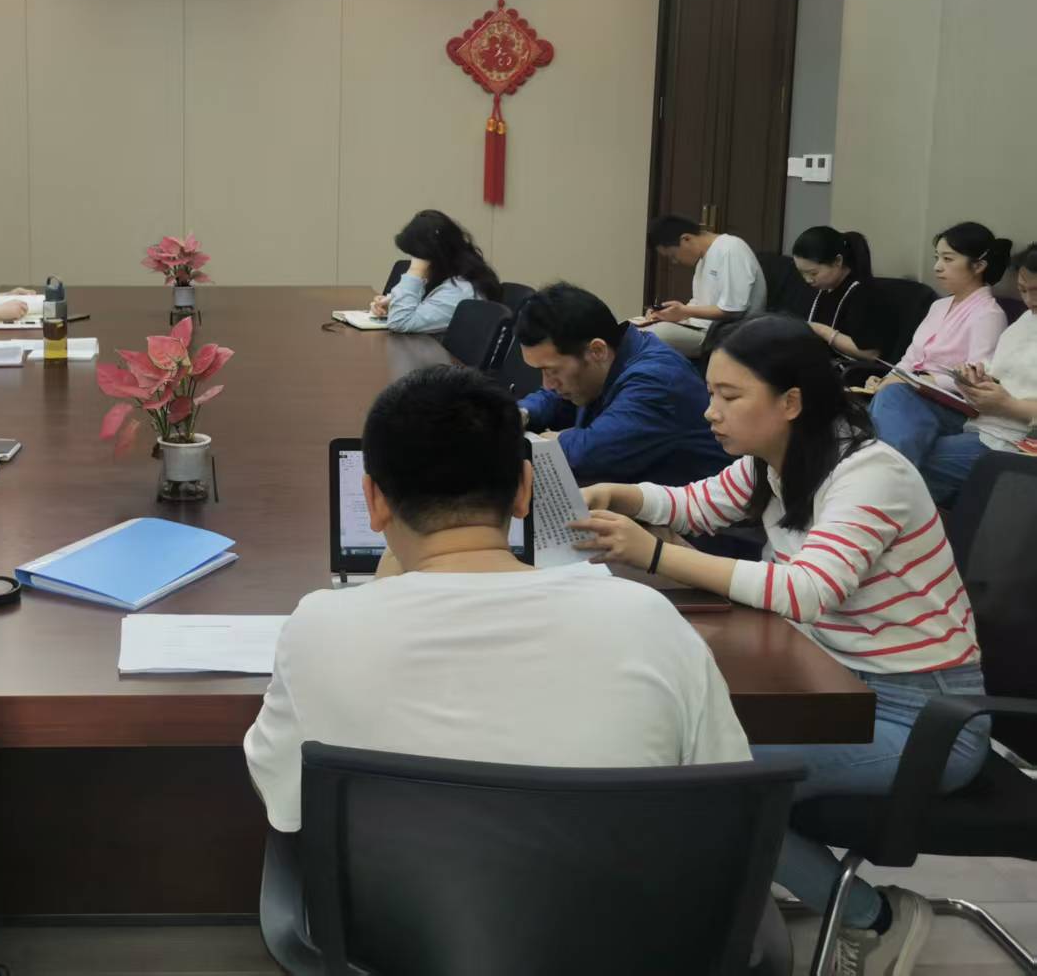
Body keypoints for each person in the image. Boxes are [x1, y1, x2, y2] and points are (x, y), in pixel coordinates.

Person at [572, 315, 986, 972]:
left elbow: (808, 590)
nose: (710, 412)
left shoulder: (869, 475)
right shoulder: (777, 461)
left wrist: (654, 554)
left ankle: (874, 919)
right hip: (833, 684)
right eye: (711, 393)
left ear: (790, 401)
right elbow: (693, 505)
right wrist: (620, 495)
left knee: (710, 774)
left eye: (729, 396)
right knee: (689, 751)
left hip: (927, 718)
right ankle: (730, 892)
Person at [243, 364, 750, 837]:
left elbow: (284, 801)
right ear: (525, 490)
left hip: (393, 908)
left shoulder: (321, 629)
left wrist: (377, 595)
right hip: (624, 903)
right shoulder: (649, 620)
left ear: (374, 502)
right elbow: (725, 802)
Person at [516, 282, 729, 487]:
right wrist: (520, 414)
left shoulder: (656, 380)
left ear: (597, 351)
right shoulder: (608, 361)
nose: (548, 384)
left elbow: (587, 456)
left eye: (552, 371)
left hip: (701, 510)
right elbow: (553, 400)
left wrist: (555, 440)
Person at [874, 241, 1037, 505]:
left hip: (1013, 437)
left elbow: (1015, 399)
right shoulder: (1026, 320)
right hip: (980, 417)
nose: (1029, 301)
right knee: (896, 394)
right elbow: (1006, 374)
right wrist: (978, 380)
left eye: (1036, 291)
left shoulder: (989, 313)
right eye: (1023, 291)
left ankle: (874, 497)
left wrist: (1008, 405)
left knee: (895, 461)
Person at [642, 214, 767, 357]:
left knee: (651, 336)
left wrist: (684, 311)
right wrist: (668, 313)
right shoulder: (703, 258)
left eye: (673, 256)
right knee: (635, 329)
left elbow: (733, 310)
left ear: (686, 239)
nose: (675, 262)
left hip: (728, 333)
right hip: (701, 327)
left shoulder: (731, 249)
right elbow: (699, 303)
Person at [366, 209, 502, 333]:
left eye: (417, 256)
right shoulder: (453, 276)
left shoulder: (460, 291)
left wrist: (415, 270)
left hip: (442, 352)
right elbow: (426, 304)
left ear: (430, 256)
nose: (415, 261)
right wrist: (393, 303)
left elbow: (400, 322)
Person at [790, 225, 888, 363]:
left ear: (838, 261)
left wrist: (821, 331)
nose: (808, 280)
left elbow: (870, 353)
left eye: (813, 273)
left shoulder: (865, 294)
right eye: (802, 273)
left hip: (846, 370)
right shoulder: (824, 287)